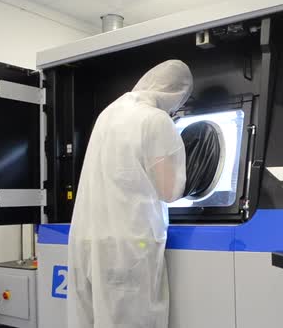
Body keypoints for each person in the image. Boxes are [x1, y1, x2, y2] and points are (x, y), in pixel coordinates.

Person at [67, 60, 193, 328]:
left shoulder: (109, 113)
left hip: (86, 242)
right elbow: (169, 191)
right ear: (176, 94)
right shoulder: (155, 119)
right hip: (127, 248)